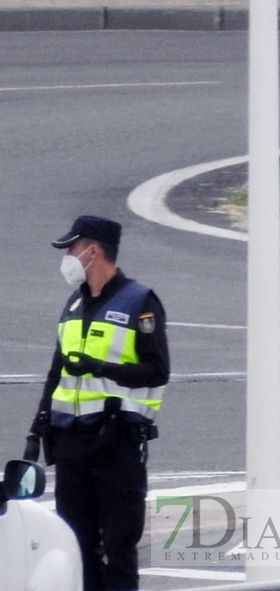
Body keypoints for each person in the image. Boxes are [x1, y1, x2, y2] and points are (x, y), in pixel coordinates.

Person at [23, 215, 170, 591]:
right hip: (71, 444)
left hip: (116, 443)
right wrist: (36, 432)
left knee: (118, 548)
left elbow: (157, 371)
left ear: (93, 251)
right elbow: (57, 373)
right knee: (77, 545)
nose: (67, 256)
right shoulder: (74, 303)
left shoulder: (140, 301)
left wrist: (100, 367)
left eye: (72, 248)